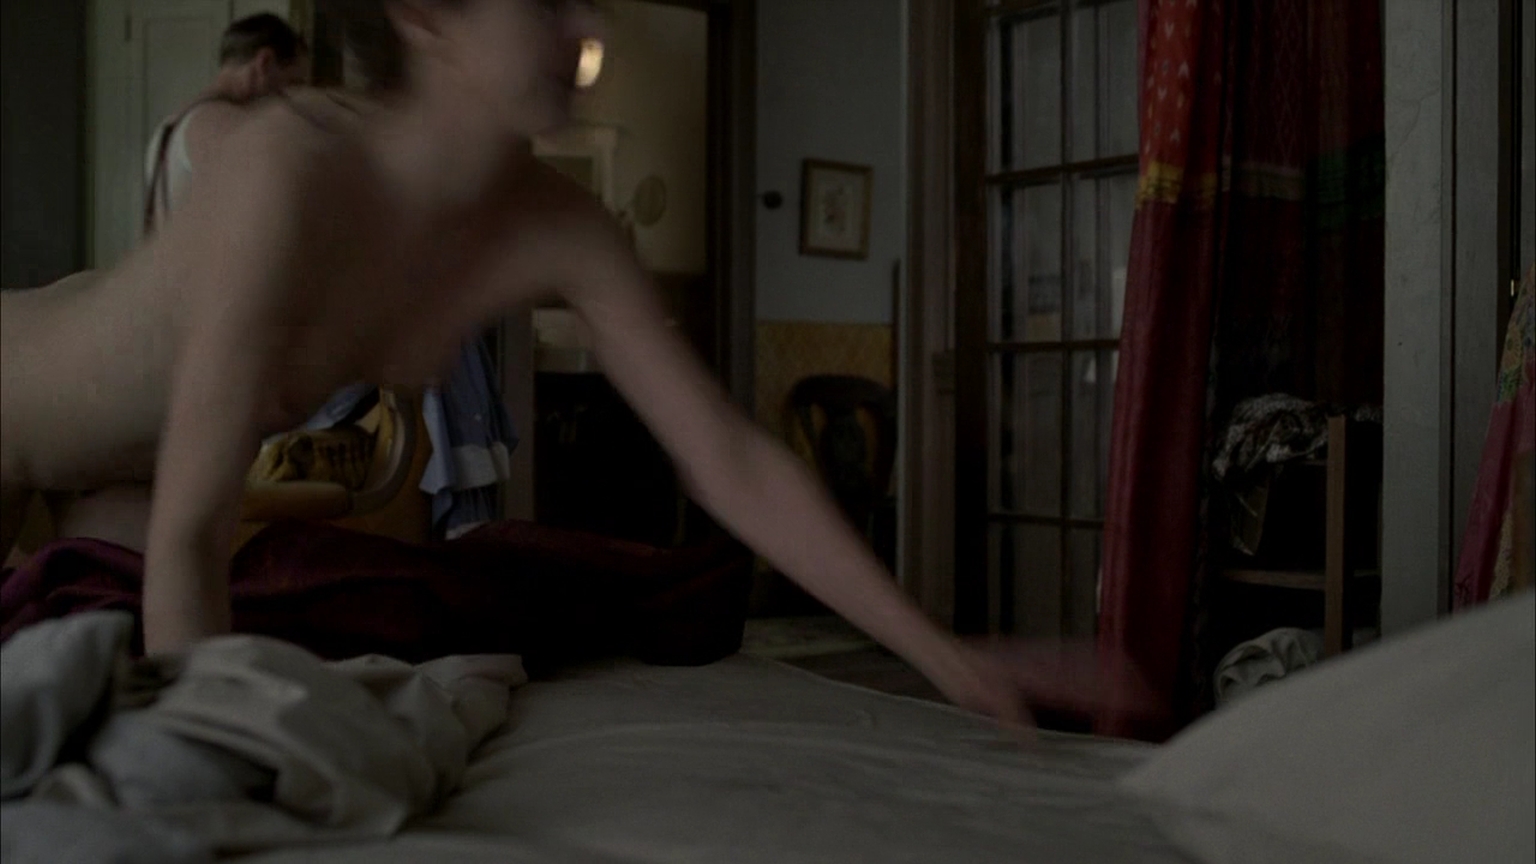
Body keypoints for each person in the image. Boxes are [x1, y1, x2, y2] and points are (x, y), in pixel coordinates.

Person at [0, 0, 1144, 730]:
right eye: (545, 0)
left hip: (113, 483)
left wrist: (950, 659)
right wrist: (218, 774)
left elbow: (729, 456)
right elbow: (193, 539)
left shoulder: (557, 223)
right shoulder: (290, 174)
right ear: (426, 14)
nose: (582, 31)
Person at [30, 15, 311, 559]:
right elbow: (266, 220)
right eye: (292, 83)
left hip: (163, 329)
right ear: (264, 65)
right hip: (200, 333)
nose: (288, 100)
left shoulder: (171, 128)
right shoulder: (222, 125)